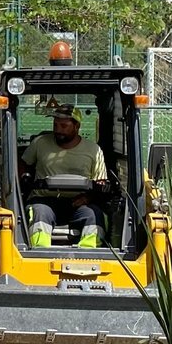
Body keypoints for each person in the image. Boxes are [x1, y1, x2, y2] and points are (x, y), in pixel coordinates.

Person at [21, 104, 107, 248]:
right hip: (44, 200)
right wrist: (23, 178)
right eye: (55, 125)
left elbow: (101, 182)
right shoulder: (40, 143)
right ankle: (39, 253)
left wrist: (87, 198)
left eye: (63, 126)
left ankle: (88, 254)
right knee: (39, 213)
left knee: (94, 215)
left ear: (76, 126)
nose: (57, 129)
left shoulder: (93, 150)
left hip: (78, 204)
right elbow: (22, 163)